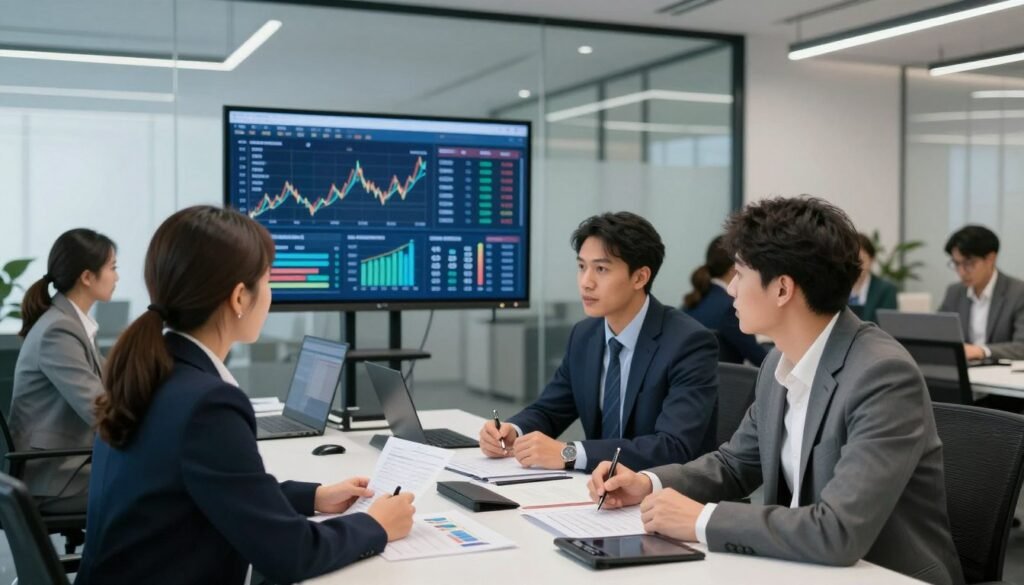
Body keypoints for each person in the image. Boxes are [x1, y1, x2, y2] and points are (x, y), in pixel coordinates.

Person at [588, 197, 963, 585]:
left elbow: (837, 531)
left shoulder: (882, 375)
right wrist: (647, 483)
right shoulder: (778, 363)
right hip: (793, 565)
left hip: (880, 574)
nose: (731, 289)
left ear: (782, 288)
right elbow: (736, 464)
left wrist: (702, 519)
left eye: (740, 273)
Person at [77, 206, 415, 585]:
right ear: (240, 298)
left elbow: (214, 489)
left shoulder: (155, 372)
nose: (270, 294)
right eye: (267, 280)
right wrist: (375, 525)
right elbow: (292, 554)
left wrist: (315, 496)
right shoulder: (206, 404)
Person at [479, 212, 718, 472]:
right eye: (582, 266)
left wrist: (570, 453)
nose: (586, 282)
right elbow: (550, 410)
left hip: (663, 496)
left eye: (601, 269)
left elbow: (673, 447)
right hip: (598, 491)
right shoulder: (585, 335)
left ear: (640, 277)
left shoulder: (688, 342)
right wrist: (512, 430)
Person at [8, 228, 118, 513]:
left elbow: (115, 385)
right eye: (112, 268)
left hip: (69, 467)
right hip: (53, 478)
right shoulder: (59, 330)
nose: (117, 277)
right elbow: (100, 408)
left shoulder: (73, 325)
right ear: (86, 277)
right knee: (152, 486)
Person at [939, 225, 1024, 361]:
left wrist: (982, 351)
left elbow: (1021, 347)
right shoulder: (954, 292)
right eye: (956, 263)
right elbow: (939, 335)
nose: (961, 272)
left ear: (991, 258)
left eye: (969, 263)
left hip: (1001, 375)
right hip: (963, 372)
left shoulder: (1018, 293)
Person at [683, 235, 767, 366]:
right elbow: (759, 358)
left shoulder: (691, 302)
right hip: (726, 384)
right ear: (734, 269)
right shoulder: (729, 307)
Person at [848, 232, 898, 323]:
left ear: (872, 260)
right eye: (851, 259)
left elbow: (888, 326)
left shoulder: (886, 291)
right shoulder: (838, 288)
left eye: (860, 260)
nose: (856, 265)